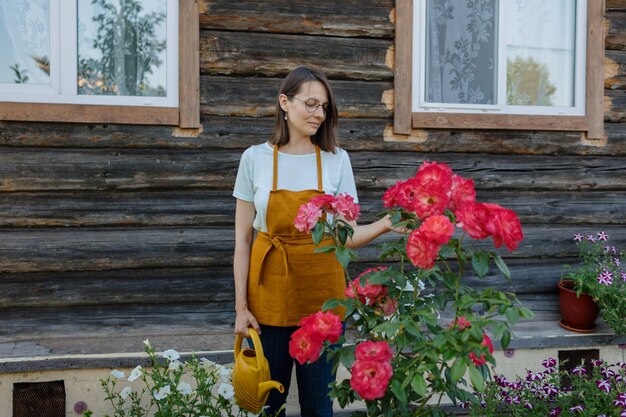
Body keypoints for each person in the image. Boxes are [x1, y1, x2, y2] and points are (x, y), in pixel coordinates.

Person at [232, 66, 394, 417]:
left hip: (323, 305)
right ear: (284, 103)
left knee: (319, 407)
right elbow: (243, 242)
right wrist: (241, 308)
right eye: (311, 104)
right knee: (268, 405)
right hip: (268, 304)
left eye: (324, 107)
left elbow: (345, 238)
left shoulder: (337, 160)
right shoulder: (254, 159)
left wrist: (384, 224)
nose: (319, 114)